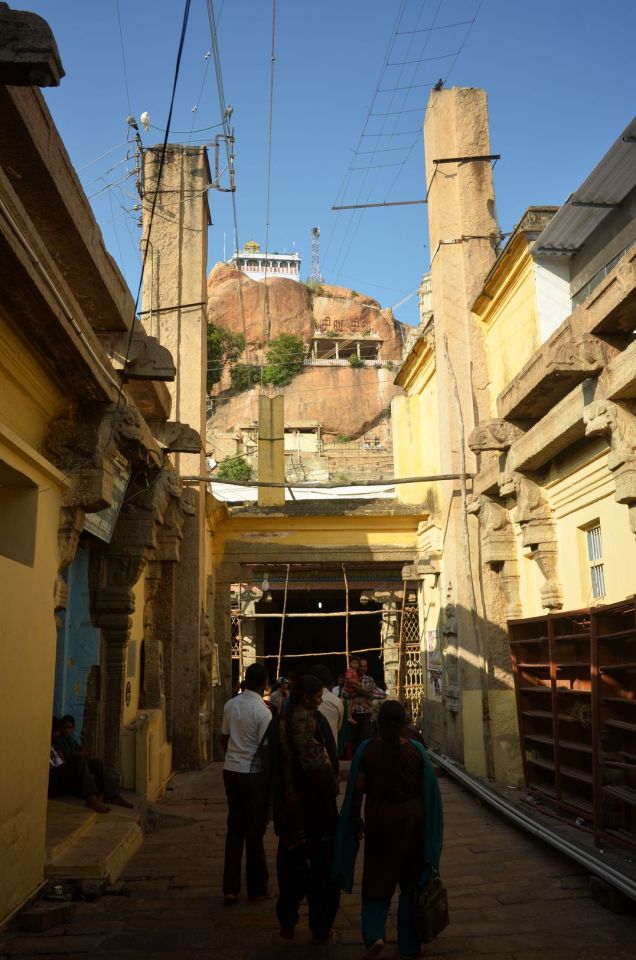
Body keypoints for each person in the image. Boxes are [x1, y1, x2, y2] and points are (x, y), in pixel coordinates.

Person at [333, 700, 443, 960]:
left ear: (378, 723)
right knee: (411, 884)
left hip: (380, 823)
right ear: (405, 723)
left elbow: (358, 788)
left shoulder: (367, 749)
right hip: (412, 825)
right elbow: (429, 793)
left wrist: (355, 818)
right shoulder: (416, 751)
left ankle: (375, 935)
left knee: (377, 879)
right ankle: (409, 944)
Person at [270, 675, 341, 944]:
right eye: (318, 697)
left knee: (290, 868)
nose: (321, 701)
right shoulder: (316, 722)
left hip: (290, 810)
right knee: (322, 872)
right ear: (307, 698)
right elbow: (331, 760)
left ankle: (287, 920)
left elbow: (272, 767)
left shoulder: (278, 723)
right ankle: (320, 928)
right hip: (319, 810)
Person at [220, 662, 272, 905]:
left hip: (231, 770)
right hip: (253, 773)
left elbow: (224, 737)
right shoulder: (263, 712)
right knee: (254, 831)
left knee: (235, 828)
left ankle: (230, 888)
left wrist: (234, 755)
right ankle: (257, 887)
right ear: (264, 685)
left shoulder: (231, 705)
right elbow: (265, 749)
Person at [53, 714, 132, 808]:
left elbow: (83, 752)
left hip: (77, 767)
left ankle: (113, 795)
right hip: (66, 772)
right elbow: (61, 762)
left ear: (73, 729)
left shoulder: (72, 741)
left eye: (69, 728)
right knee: (79, 760)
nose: (66, 730)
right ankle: (91, 798)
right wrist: (77, 755)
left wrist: (83, 754)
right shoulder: (58, 741)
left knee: (97, 763)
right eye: (64, 728)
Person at [311, 663, 344, 746]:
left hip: (311, 751)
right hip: (331, 749)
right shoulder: (337, 701)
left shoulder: (306, 701)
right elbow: (338, 727)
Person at [349, 658, 377, 752]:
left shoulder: (369, 679)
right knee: (354, 739)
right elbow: (346, 692)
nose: (362, 668)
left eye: (364, 666)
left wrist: (355, 687)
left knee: (366, 738)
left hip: (365, 712)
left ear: (367, 668)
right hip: (353, 713)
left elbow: (369, 693)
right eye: (361, 666)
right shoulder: (351, 677)